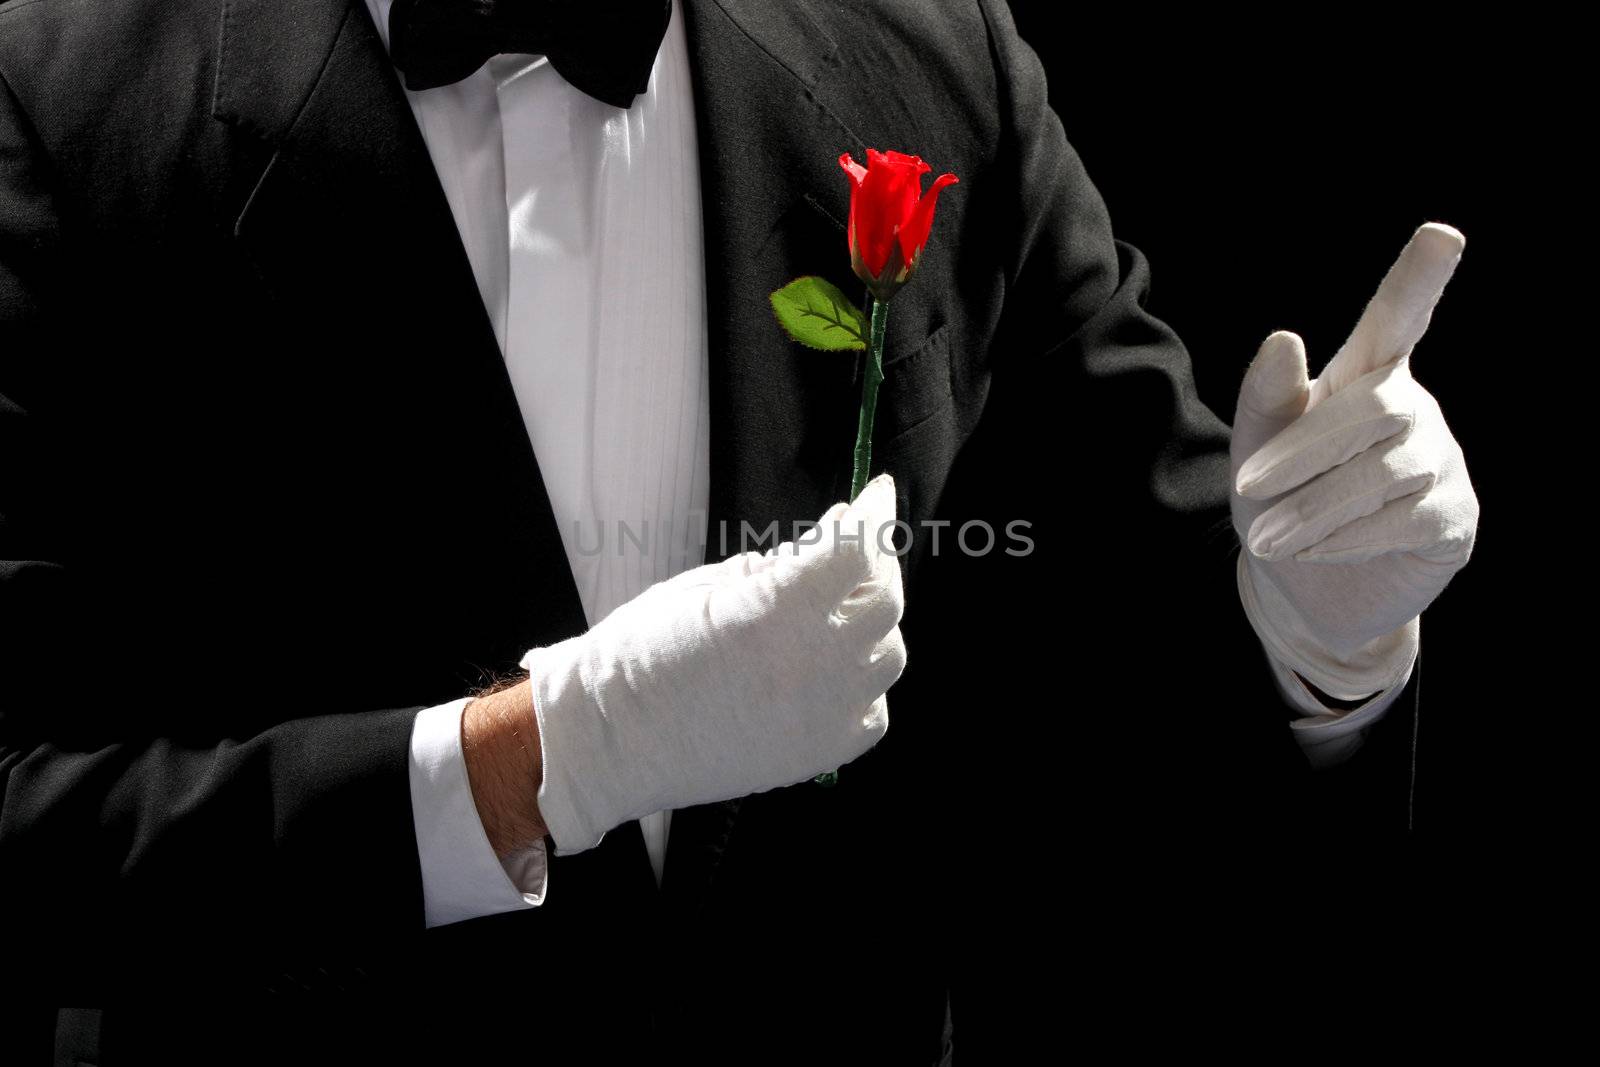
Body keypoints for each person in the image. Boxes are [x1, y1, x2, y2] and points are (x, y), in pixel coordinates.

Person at [0, 0, 1477, 1061]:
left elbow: (1137, 678)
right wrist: (541, 762)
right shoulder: (54, 85)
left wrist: (1325, 636)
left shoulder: (931, 50)